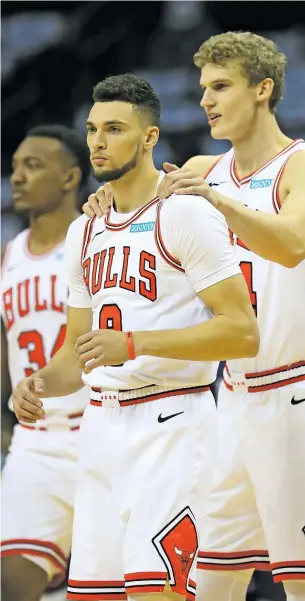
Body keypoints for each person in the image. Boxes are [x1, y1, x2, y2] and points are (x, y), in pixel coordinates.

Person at [84, 33, 305, 601]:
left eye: (222, 86)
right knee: (206, 581)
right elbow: (138, 213)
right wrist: (104, 204)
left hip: (299, 396)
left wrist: (218, 200)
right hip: (227, 399)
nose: (206, 100)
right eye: (203, 87)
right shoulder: (205, 167)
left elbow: (292, 245)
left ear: (263, 89)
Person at [12, 74, 259, 601]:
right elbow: (75, 352)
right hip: (100, 431)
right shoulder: (86, 229)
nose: (98, 141)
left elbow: (241, 331)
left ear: (150, 138)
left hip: (172, 425)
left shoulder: (187, 214)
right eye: (93, 129)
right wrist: (36, 385)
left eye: (115, 129)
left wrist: (133, 343)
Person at [1, 125, 91, 601]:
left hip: (102, 431)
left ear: (70, 176)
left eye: (32, 166)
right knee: (12, 586)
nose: (17, 177)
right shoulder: (8, 256)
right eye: (15, 167)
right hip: (36, 443)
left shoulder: (97, 241)